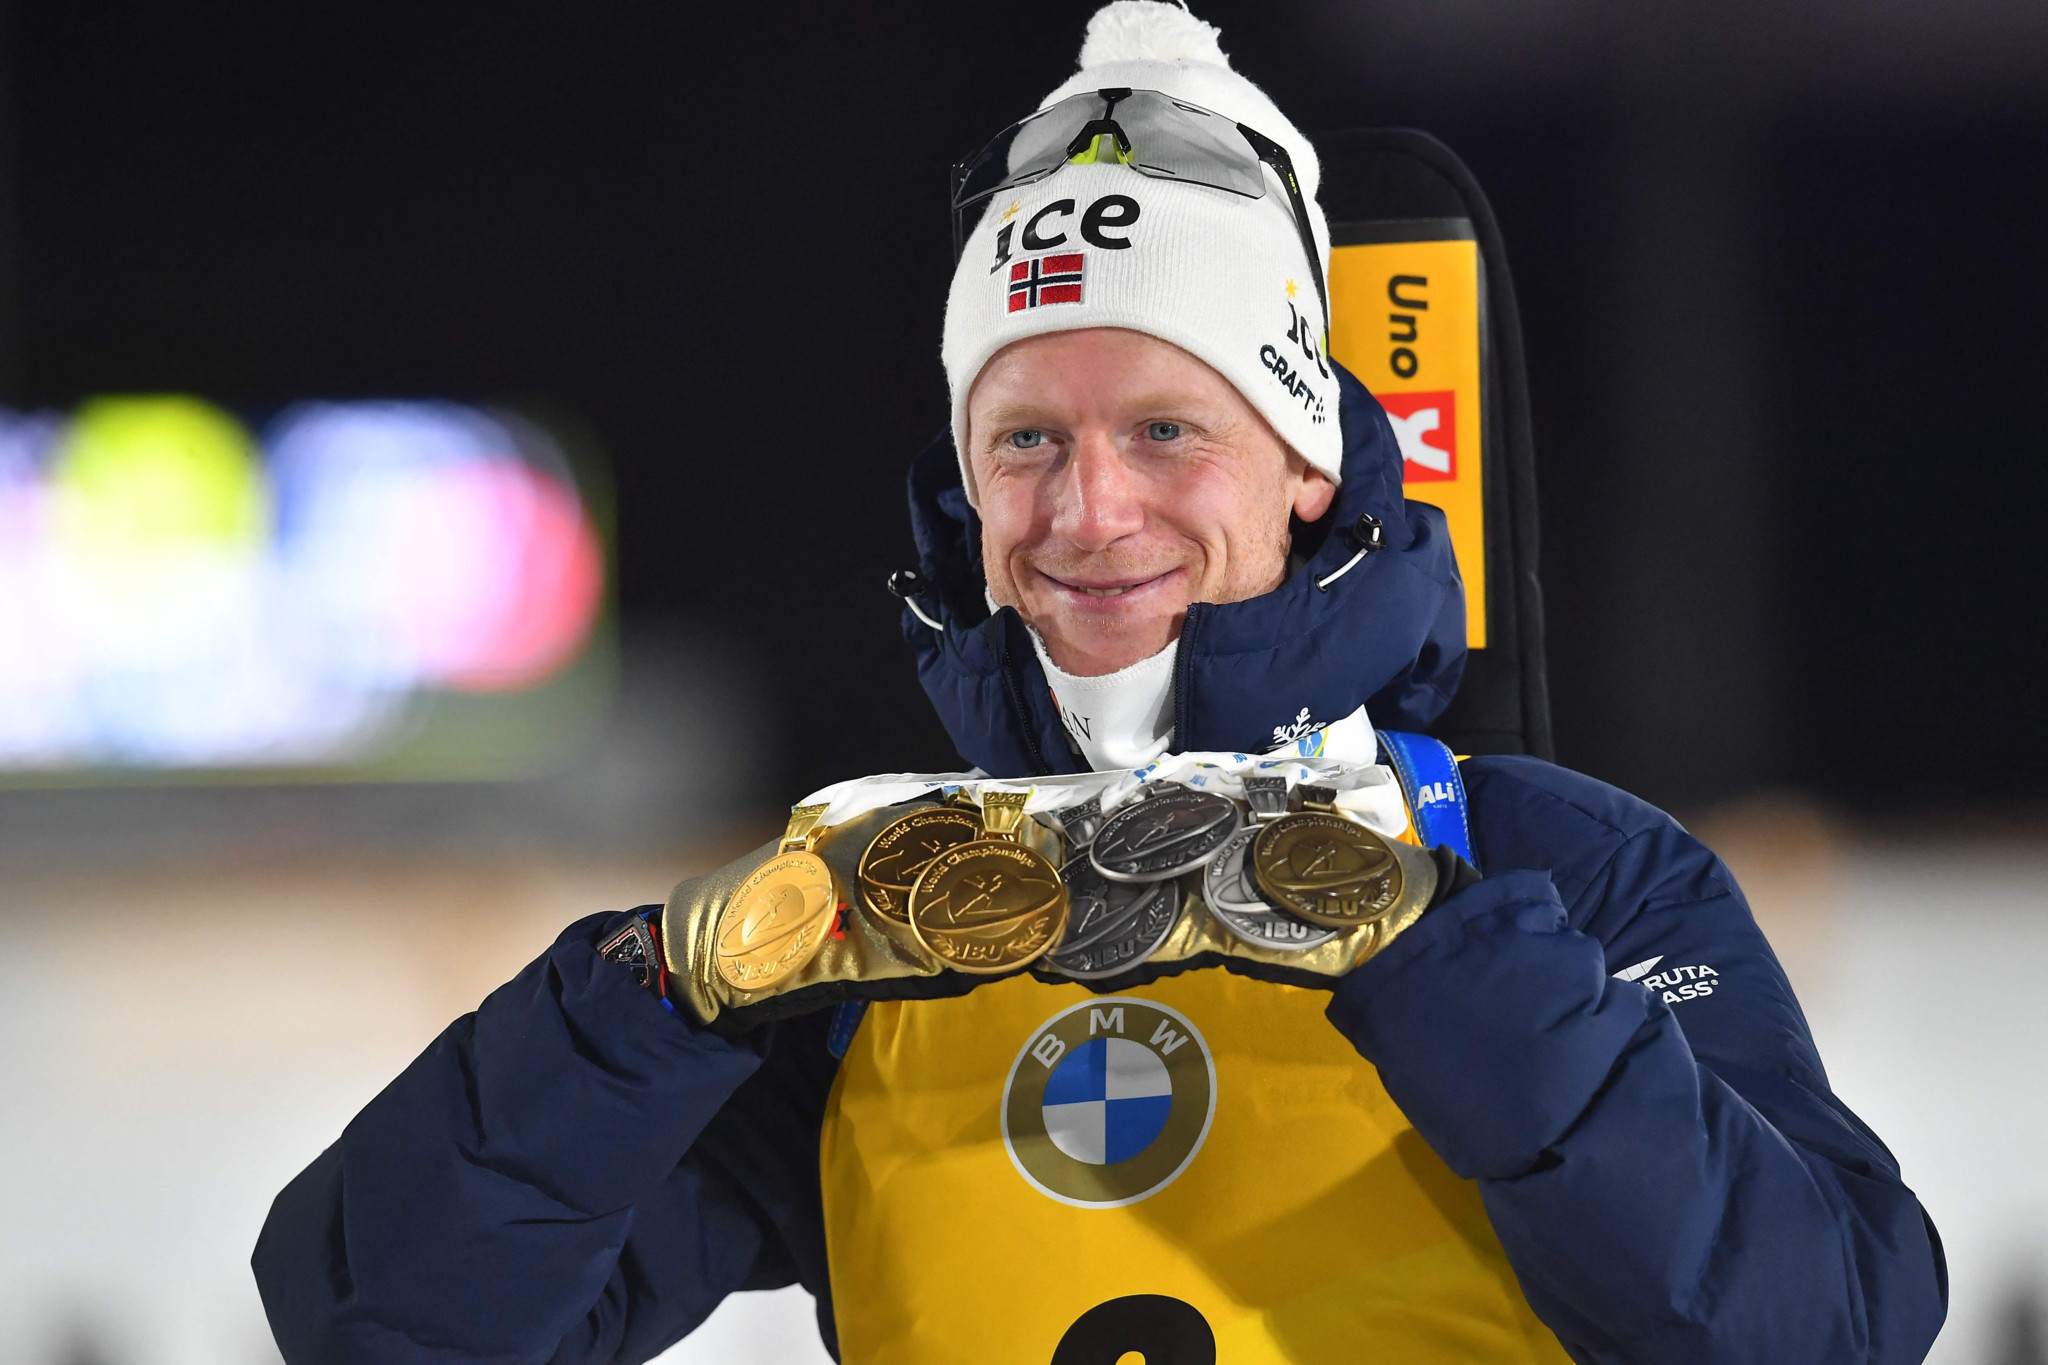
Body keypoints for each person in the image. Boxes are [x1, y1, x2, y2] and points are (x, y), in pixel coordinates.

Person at [252, 4, 1948, 1362]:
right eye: (1027, 441)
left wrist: (1423, 938)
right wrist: (672, 977)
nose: (1090, 511)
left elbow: (1827, 1324)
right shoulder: (884, 926)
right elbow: (383, 1319)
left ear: (1302, 459)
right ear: (965, 489)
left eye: (1164, 430)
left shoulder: (1562, 867)